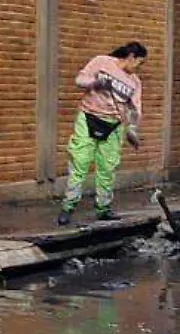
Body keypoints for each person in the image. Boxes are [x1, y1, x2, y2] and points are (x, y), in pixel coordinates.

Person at [62, 41, 147, 225]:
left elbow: (135, 109)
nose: (138, 68)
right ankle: (68, 207)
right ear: (131, 57)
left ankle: (104, 209)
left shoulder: (134, 82)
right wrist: (95, 83)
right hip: (88, 117)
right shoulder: (102, 62)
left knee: (107, 168)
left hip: (115, 126)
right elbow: (79, 80)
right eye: (139, 63)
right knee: (80, 163)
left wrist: (132, 130)